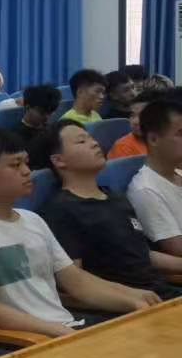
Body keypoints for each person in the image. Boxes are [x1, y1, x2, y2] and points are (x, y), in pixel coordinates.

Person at [0, 126, 159, 338]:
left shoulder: (33, 220)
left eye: (26, 163)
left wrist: (133, 297)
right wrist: (57, 330)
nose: (27, 171)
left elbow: (77, 282)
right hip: (37, 338)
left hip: (69, 326)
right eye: (15, 165)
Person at [42, 120, 182, 300]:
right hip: (129, 304)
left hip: (161, 293)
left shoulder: (116, 198)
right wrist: (129, 299)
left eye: (91, 138)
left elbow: (142, 254)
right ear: (59, 160)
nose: (94, 143)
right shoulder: (61, 210)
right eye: (81, 141)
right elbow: (73, 282)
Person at [126, 97, 182, 257]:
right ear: (153, 139)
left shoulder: (178, 173)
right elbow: (178, 249)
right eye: (180, 134)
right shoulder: (146, 190)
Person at [11, 84, 61, 169]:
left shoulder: (53, 129)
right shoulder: (14, 136)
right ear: (28, 108)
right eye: (42, 112)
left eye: (50, 112)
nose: (47, 117)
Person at [108, 87, 160, 159]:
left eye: (143, 115)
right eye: (132, 115)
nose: (135, 121)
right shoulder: (123, 147)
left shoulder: (169, 140)